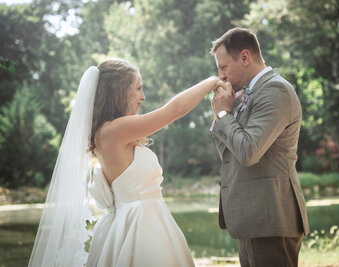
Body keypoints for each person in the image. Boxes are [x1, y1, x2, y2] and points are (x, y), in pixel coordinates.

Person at [28, 58, 225, 267]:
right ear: (119, 92)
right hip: (141, 227)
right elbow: (174, 110)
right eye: (138, 88)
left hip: (143, 220)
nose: (143, 96)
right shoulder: (114, 130)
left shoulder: (108, 131)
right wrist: (211, 82)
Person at [209, 28, 310, 267]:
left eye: (224, 67)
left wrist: (224, 114)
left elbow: (247, 152)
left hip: (271, 217)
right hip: (251, 217)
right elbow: (228, 152)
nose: (221, 76)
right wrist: (223, 114)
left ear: (245, 57)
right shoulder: (246, 93)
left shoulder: (276, 90)